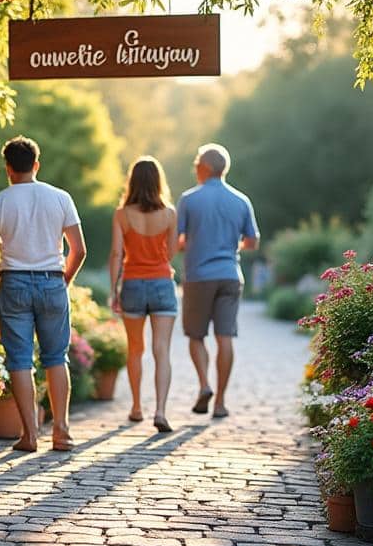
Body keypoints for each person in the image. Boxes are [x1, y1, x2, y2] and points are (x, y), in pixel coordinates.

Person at [0, 136, 86, 452]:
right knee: (56, 357)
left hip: (13, 282)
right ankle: (62, 431)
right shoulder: (61, 198)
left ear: (8, 168)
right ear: (36, 165)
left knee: (20, 360)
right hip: (53, 280)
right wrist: (63, 279)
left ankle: (29, 435)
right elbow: (78, 249)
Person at [176, 143, 259, 419]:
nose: (195, 169)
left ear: (205, 168)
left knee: (196, 335)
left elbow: (177, 241)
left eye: (197, 164)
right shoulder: (241, 200)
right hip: (230, 276)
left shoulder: (189, 199)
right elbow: (253, 241)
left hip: (199, 276)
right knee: (226, 337)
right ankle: (221, 402)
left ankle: (204, 385)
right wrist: (233, 246)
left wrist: (194, 243)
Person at [107, 156, 178, 432]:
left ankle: (136, 407)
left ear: (132, 181)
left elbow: (116, 253)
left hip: (133, 285)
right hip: (161, 283)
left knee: (136, 349)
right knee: (162, 350)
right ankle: (160, 411)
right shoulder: (170, 213)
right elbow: (171, 253)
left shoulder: (122, 214)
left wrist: (114, 290)